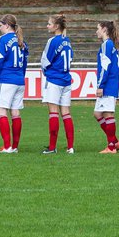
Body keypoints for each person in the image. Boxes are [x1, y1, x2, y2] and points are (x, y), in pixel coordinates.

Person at [0, 14, 28, 153]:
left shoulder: (2, 39)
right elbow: (25, 63)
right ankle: (15, 146)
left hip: (6, 79)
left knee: (1, 111)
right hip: (19, 80)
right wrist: (20, 76)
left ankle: (7, 146)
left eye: (1, 24)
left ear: (7, 25)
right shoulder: (22, 41)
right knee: (15, 112)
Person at [40, 14, 74, 154]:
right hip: (66, 80)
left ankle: (52, 147)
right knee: (66, 113)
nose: (47, 26)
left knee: (53, 112)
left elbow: (45, 61)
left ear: (56, 26)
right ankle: (70, 147)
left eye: (49, 24)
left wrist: (46, 72)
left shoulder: (52, 41)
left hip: (54, 80)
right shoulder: (67, 41)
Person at [94, 21, 119, 153]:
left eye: (98, 29)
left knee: (107, 114)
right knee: (98, 113)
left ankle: (111, 146)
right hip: (110, 83)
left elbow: (105, 67)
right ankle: (115, 141)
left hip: (108, 84)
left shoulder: (107, 45)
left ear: (104, 29)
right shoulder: (110, 45)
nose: (96, 31)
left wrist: (101, 85)